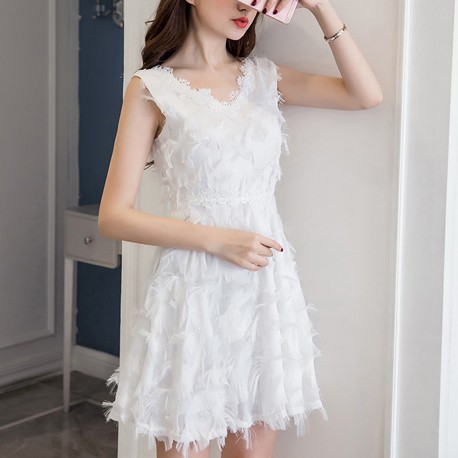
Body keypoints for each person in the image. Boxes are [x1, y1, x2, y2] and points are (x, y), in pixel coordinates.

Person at [99, 0, 382, 457]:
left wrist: (319, 7)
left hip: (263, 290)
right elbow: (113, 215)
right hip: (192, 290)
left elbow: (365, 95)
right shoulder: (152, 87)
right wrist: (216, 239)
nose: (245, 5)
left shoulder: (264, 77)